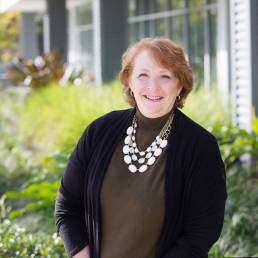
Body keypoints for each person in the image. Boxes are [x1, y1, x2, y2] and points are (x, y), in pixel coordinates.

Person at [55, 37, 227, 258]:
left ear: (180, 84)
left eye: (165, 76)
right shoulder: (99, 132)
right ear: (130, 81)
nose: (152, 87)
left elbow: (202, 232)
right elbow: (67, 206)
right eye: (143, 75)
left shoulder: (200, 147)